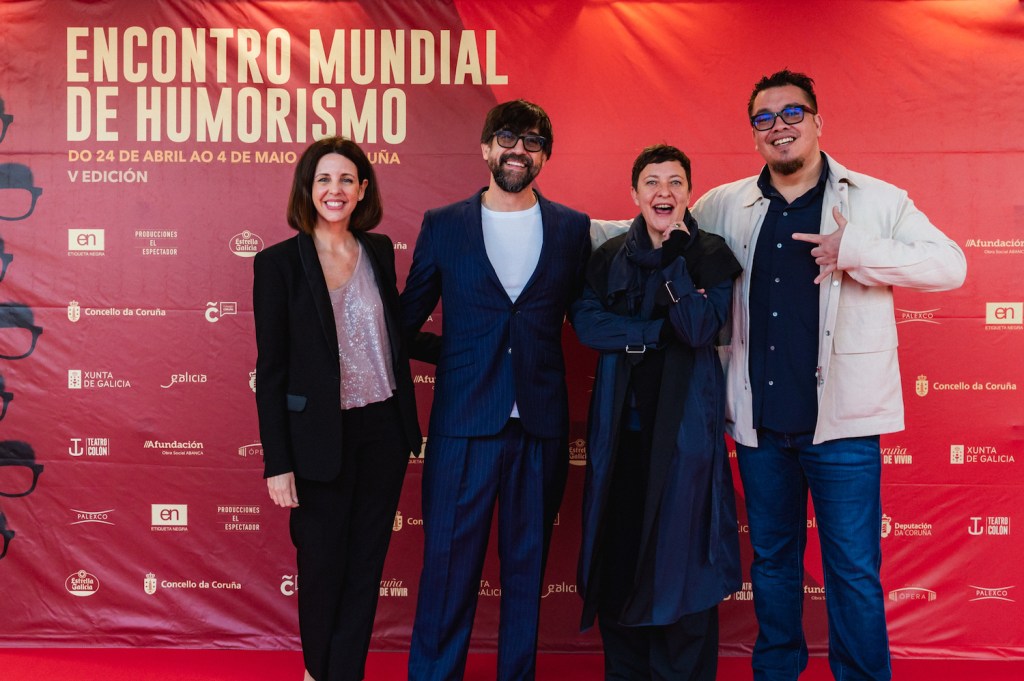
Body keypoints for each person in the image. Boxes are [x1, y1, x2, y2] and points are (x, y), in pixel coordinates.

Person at [690, 70, 968, 680]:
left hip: (842, 426)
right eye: (764, 117)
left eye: (793, 112)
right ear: (754, 133)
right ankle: (778, 671)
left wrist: (859, 251)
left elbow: (951, 266)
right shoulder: (721, 204)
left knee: (851, 569)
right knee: (772, 563)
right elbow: (659, 233)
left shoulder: (877, 199)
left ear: (819, 121)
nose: (779, 125)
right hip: (759, 427)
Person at [401, 99, 591, 681]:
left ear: (544, 156)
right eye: (507, 138)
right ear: (486, 148)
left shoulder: (572, 228)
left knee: (526, 572)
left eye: (532, 142)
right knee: (446, 573)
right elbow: (405, 324)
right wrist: (461, 358)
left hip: (539, 428)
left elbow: (586, 316)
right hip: (463, 427)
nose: (518, 149)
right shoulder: (444, 223)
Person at [253, 136, 421, 681]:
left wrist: (478, 346)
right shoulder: (277, 264)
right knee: (322, 567)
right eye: (324, 179)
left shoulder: (377, 251)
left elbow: (394, 333)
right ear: (308, 188)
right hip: (318, 440)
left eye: (346, 179)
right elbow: (271, 371)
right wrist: (277, 461)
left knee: (365, 566)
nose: (335, 189)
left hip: (382, 430)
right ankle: (318, 672)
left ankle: (343, 673)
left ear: (362, 189)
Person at [574, 144, 742, 681]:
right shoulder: (606, 258)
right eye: (651, 182)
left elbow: (697, 329)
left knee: (683, 567)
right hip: (620, 438)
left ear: (690, 193)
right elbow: (589, 327)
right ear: (635, 194)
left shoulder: (710, 253)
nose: (663, 192)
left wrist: (675, 260)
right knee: (620, 561)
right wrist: (652, 335)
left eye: (674, 182)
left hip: (684, 441)